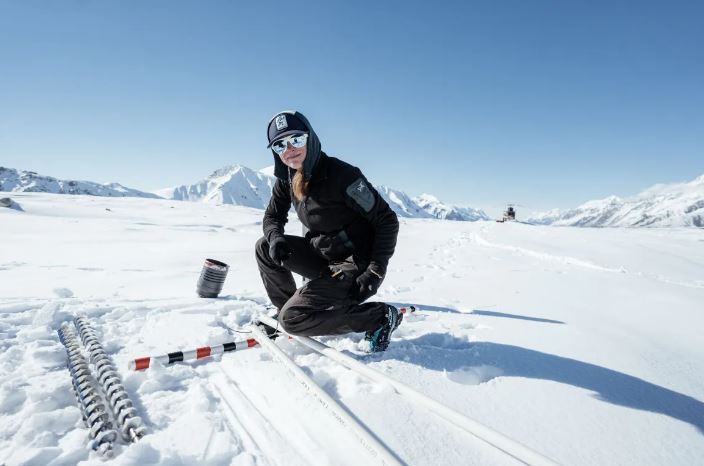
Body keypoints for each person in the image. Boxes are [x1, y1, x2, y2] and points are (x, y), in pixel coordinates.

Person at [255, 110, 402, 352]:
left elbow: (386, 220)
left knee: (293, 320)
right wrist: (276, 238)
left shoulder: (343, 176)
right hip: (323, 257)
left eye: (296, 139)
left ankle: (380, 317)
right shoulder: (287, 179)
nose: (289, 149)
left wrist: (375, 270)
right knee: (264, 246)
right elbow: (272, 217)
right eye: (280, 144)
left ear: (310, 138)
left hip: (354, 265)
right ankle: (287, 309)